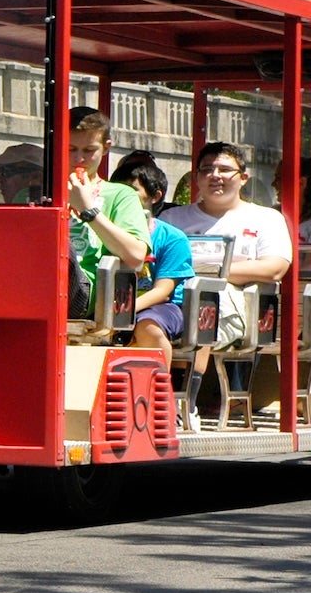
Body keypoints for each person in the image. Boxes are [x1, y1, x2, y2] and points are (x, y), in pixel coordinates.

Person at [158, 141, 292, 419]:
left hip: (238, 305)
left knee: (206, 300)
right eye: (207, 169)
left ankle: (186, 405)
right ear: (196, 177)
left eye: (224, 169)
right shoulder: (172, 219)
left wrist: (213, 273)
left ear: (243, 178)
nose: (215, 175)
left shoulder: (266, 218)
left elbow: (275, 267)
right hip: (172, 296)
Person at [65, 108, 150, 320]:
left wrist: (89, 211)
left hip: (84, 290)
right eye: (70, 149)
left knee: (61, 247)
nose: (79, 158)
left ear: (105, 148)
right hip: (32, 283)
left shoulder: (120, 195)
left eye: (88, 150)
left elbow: (136, 257)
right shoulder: (38, 190)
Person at [110, 159, 191, 369]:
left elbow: (163, 291)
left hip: (161, 306)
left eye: (131, 191)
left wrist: (125, 312)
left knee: (149, 327)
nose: (123, 197)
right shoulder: (105, 233)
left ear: (155, 196)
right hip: (112, 304)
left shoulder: (172, 238)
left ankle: (156, 390)